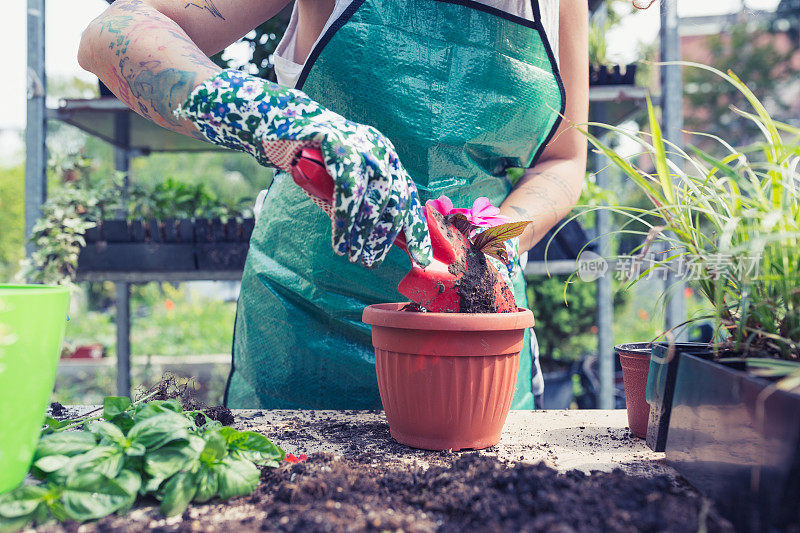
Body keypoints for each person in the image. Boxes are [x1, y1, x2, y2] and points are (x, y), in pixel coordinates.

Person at [78, 0, 588, 409]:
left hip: (473, 333)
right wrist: (274, 119)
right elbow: (114, 31)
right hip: (307, 319)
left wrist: (492, 240)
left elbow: (564, 159)